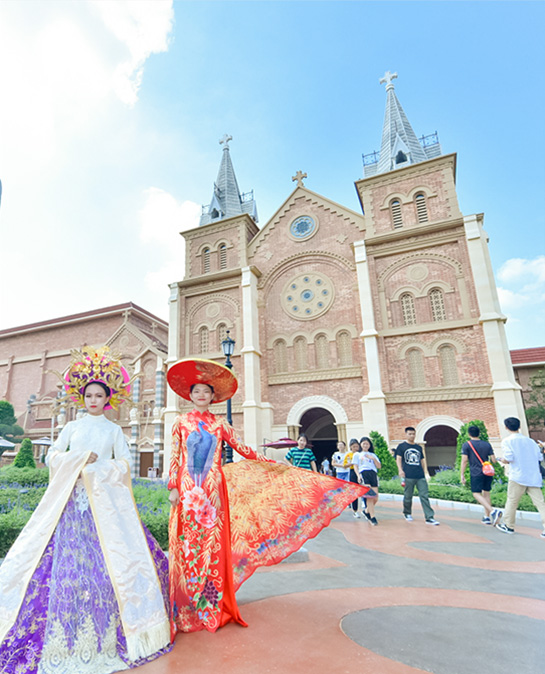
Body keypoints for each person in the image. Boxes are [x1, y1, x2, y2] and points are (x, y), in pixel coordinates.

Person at [0, 347, 171, 674]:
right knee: (60, 565)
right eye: (88, 395)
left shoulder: (113, 431)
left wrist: (95, 468)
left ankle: (108, 627)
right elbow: (52, 456)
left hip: (102, 510)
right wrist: (75, 459)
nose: (93, 400)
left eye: (98, 396)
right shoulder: (72, 428)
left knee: (103, 568)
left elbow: (124, 464)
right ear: (82, 398)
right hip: (68, 505)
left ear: (108, 399)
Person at [166, 358, 367, 637]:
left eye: (206, 391)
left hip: (213, 493)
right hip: (188, 491)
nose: (201, 395)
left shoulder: (220, 424)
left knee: (212, 546)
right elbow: (175, 457)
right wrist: (173, 486)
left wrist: (270, 463)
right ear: (190, 395)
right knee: (188, 544)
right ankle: (185, 606)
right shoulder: (180, 422)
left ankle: (208, 605)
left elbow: (242, 449)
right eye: (196, 391)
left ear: (213, 397)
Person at [496, 417, 545, 537]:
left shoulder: (507, 441)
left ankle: (509, 525)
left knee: (512, 501)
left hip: (517, 476)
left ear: (506, 427)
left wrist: (502, 460)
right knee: (541, 503)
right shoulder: (531, 441)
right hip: (533, 476)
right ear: (519, 426)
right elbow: (539, 457)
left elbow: (509, 458)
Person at [395, 426, 440, 525]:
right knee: (408, 496)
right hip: (408, 475)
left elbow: (422, 460)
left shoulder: (418, 447)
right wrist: (400, 470)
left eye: (413, 434)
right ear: (406, 434)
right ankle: (407, 513)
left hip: (420, 475)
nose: (412, 436)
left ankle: (429, 517)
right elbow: (398, 459)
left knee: (424, 496)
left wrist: (425, 472)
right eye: (410, 434)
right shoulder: (401, 446)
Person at [460, 425, 501, 525]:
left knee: (476, 493)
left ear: (469, 434)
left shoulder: (467, 445)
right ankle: (487, 517)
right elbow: (493, 460)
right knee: (486, 493)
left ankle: (492, 511)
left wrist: (462, 474)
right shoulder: (486, 444)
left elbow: (464, 461)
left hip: (476, 472)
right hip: (487, 472)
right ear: (479, 433)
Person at [352, 436, 381, 525]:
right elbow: (355, 466)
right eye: (364, 443)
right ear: (360, 444)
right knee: (370, 497)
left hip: (373, 474)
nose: (365, 445)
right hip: (364, 473)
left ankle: (366, 511)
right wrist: (358, 476)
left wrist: (373, 459)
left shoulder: (373, 455)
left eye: (367, 444)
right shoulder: (357, 454)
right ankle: (372, 517)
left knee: (375, 497)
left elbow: (379, 466)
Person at [348, 438, 363, 518]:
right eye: (354, 447)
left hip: (362, 471)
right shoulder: (349, 455)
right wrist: (352, 463)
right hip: (353, 472)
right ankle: (355, 510)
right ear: (350, 447)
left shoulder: (361, 454)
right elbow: (345, 465)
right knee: (354, 491)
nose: (356, 448)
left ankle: (366, 509)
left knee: (364, 489)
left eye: (357, 446)